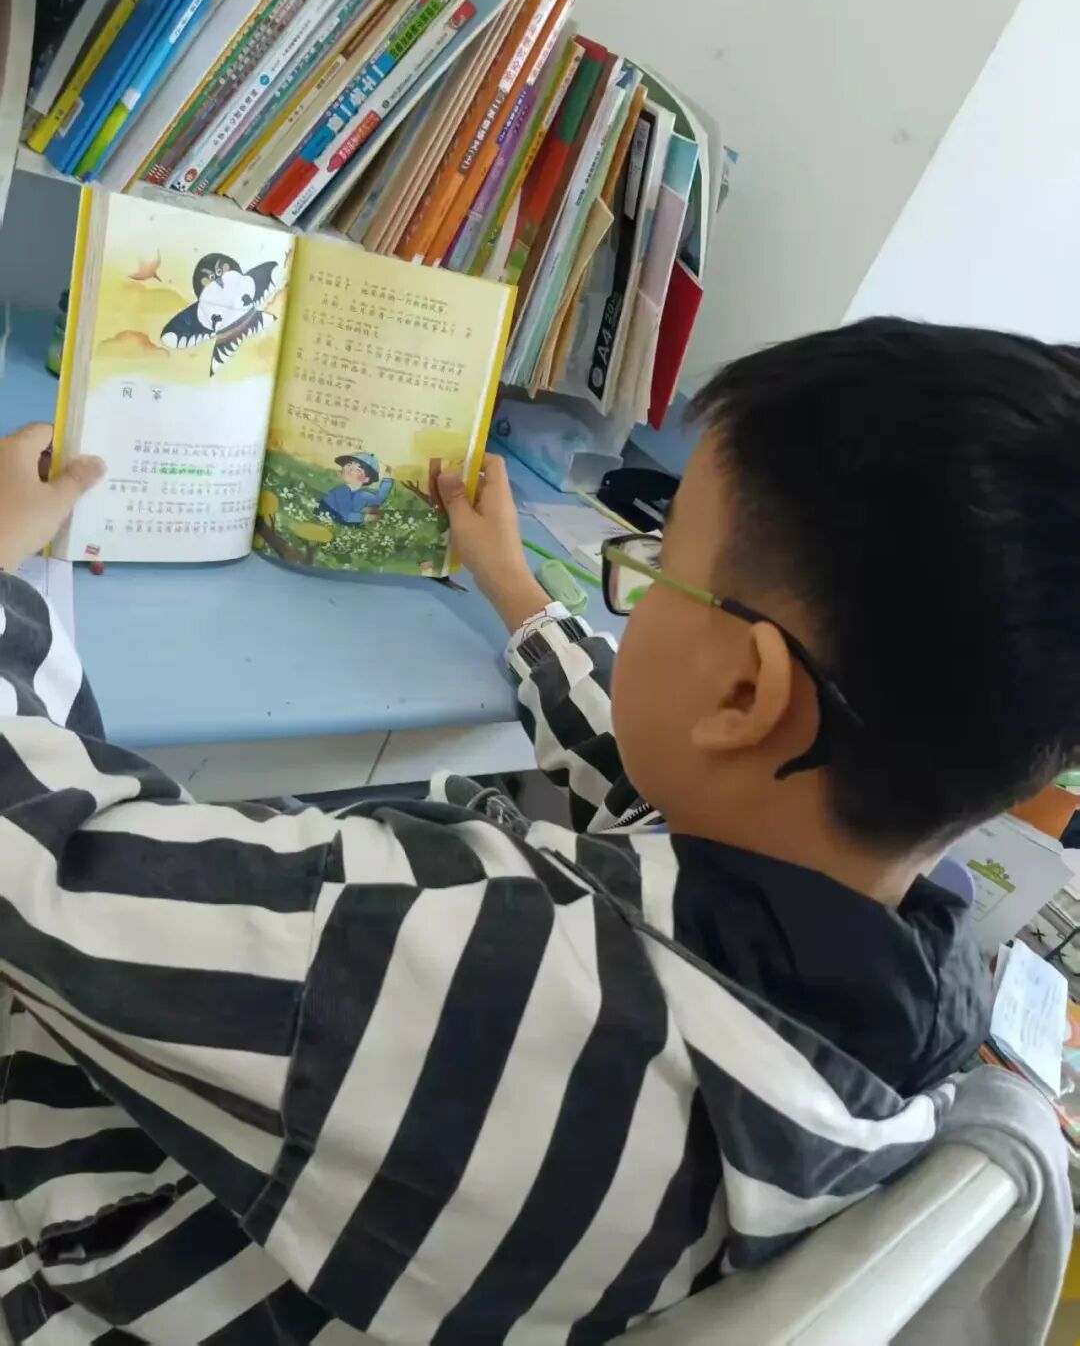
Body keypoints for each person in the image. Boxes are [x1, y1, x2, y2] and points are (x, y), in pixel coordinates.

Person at [0, 316, 1077, 1342]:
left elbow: (51, 871)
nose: (638, 589)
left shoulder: (439, 965)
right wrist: (516, 590)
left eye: (658, 564)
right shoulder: (893, 997)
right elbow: (662, 773)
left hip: (99, 1254)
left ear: (746, 692)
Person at [318, 449, 394, 525]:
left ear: (366, 479)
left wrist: (387, 477)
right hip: (327, 513)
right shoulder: (342, 491)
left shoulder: (362, 495)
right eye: (348, 465)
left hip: (345, 519)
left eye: (358, 470)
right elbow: (346, 516)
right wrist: (367, 517)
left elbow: (379, 499)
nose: (350, 470)